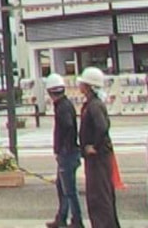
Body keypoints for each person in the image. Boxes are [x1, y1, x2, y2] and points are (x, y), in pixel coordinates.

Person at [77, 66, 119, 228]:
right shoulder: (93, 104)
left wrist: (93, 146)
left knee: (98, 196)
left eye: (82, 83)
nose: (79, 85)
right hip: (99, 157)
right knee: (101, 194)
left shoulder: (94, 106)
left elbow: (102, 127)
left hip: (98, 158)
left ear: (88, 86)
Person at [45, 73, 82, 228]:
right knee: (62, 187)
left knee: (69, 190)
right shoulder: (65, 105)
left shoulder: (62, 107)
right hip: (69, 152)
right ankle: (61, 218)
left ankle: (76, 220)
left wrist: (62, 148)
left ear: (50, 92)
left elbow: (66, 126)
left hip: (67, 153)